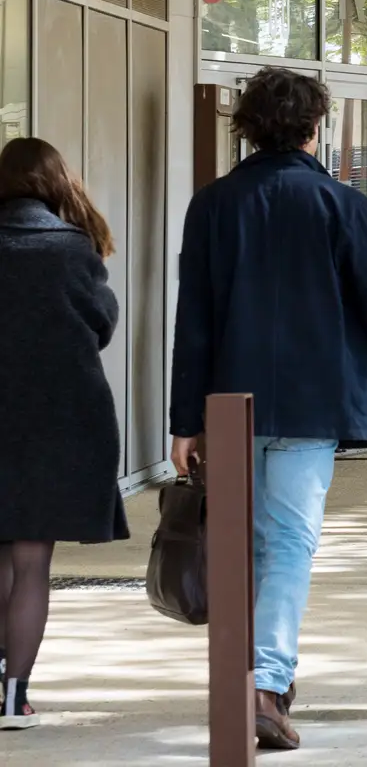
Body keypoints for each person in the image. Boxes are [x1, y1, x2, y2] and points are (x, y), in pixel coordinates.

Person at [171, 68, 367, 752]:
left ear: (248, 128)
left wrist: (184, 422)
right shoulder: (342, 205)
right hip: (312, 403)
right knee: (288, 543)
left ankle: (250, 676)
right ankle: (265, 685)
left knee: (246, 544)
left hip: (229, 401)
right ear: (316, 126)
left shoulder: (213, 206)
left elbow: (193, 318)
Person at [0, 140, 122, 732]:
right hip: (54, 421)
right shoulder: (71, 249)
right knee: (30, 563)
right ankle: (13, 697)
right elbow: (98, 324)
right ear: (56, 183)